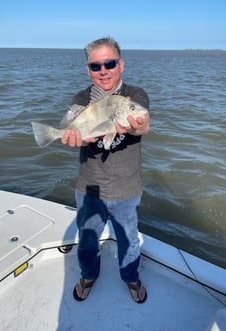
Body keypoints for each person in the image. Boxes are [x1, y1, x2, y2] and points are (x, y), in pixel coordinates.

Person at [61, 37, 150, 303]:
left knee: (129, 240)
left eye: (109, 63)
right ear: (89, 70)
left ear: (120, 64)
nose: (104, 71)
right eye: (96, 66)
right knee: (87, 240)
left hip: (127, 188)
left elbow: (143, 125)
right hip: (89, 188)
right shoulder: (81, 98)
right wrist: (70, 136)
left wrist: (133, 125)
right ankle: (89, 275)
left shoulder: (134, 96)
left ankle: (131, 277)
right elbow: (69, 129)